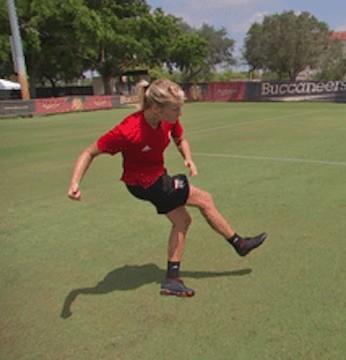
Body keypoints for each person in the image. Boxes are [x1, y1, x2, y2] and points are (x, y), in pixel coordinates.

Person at [67, 79, 267, 298]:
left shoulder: (167, 120)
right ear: (156, 108)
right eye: (175, 109)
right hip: (143, 184)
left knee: (182, 221)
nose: (179, 113)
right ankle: (239, 243)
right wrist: (75, 183)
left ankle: (172, 279)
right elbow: (89, 152)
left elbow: (180, 138)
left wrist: (188, 158)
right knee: (204, 199)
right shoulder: (128, 130)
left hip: (158, 177)